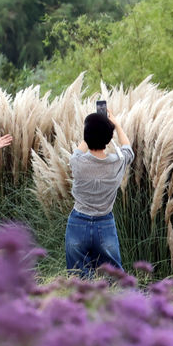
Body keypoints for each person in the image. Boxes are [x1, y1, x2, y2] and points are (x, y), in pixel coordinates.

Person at [66, 110, 133, 277]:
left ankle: (84, 303)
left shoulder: (77, 163)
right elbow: (128, 150)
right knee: (115, 276)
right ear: (109, 139)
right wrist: (116, 125)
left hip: (77, 223)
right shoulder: (118, 163)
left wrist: (91, 131)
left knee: (78, 275)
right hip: (105, 224)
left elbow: (78, 152)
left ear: (86, 137)